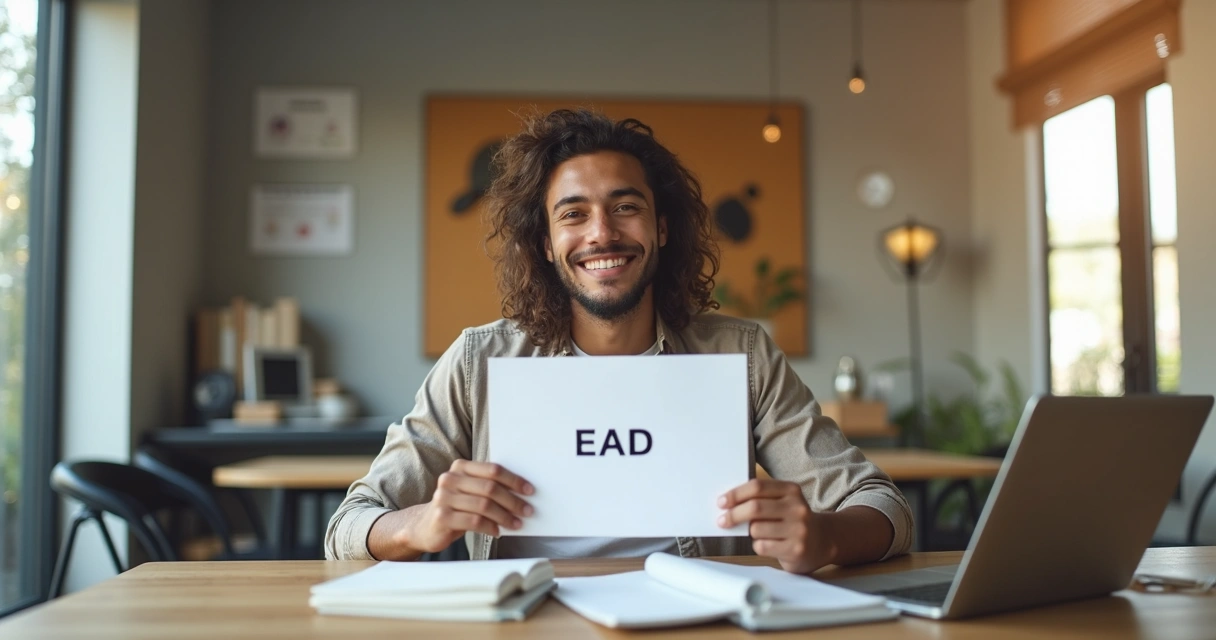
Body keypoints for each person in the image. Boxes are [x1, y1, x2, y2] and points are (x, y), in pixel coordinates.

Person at [325, 108, 912, 574]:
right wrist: (422, 523)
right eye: (573, 215)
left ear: (662, 228)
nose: (602, 234)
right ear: (546, 244)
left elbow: (884, 507)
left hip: (692, 622)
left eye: (625, 207)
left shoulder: (740, 356)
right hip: (530, 623)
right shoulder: (480, 362)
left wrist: (825, 536)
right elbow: (348, 526)